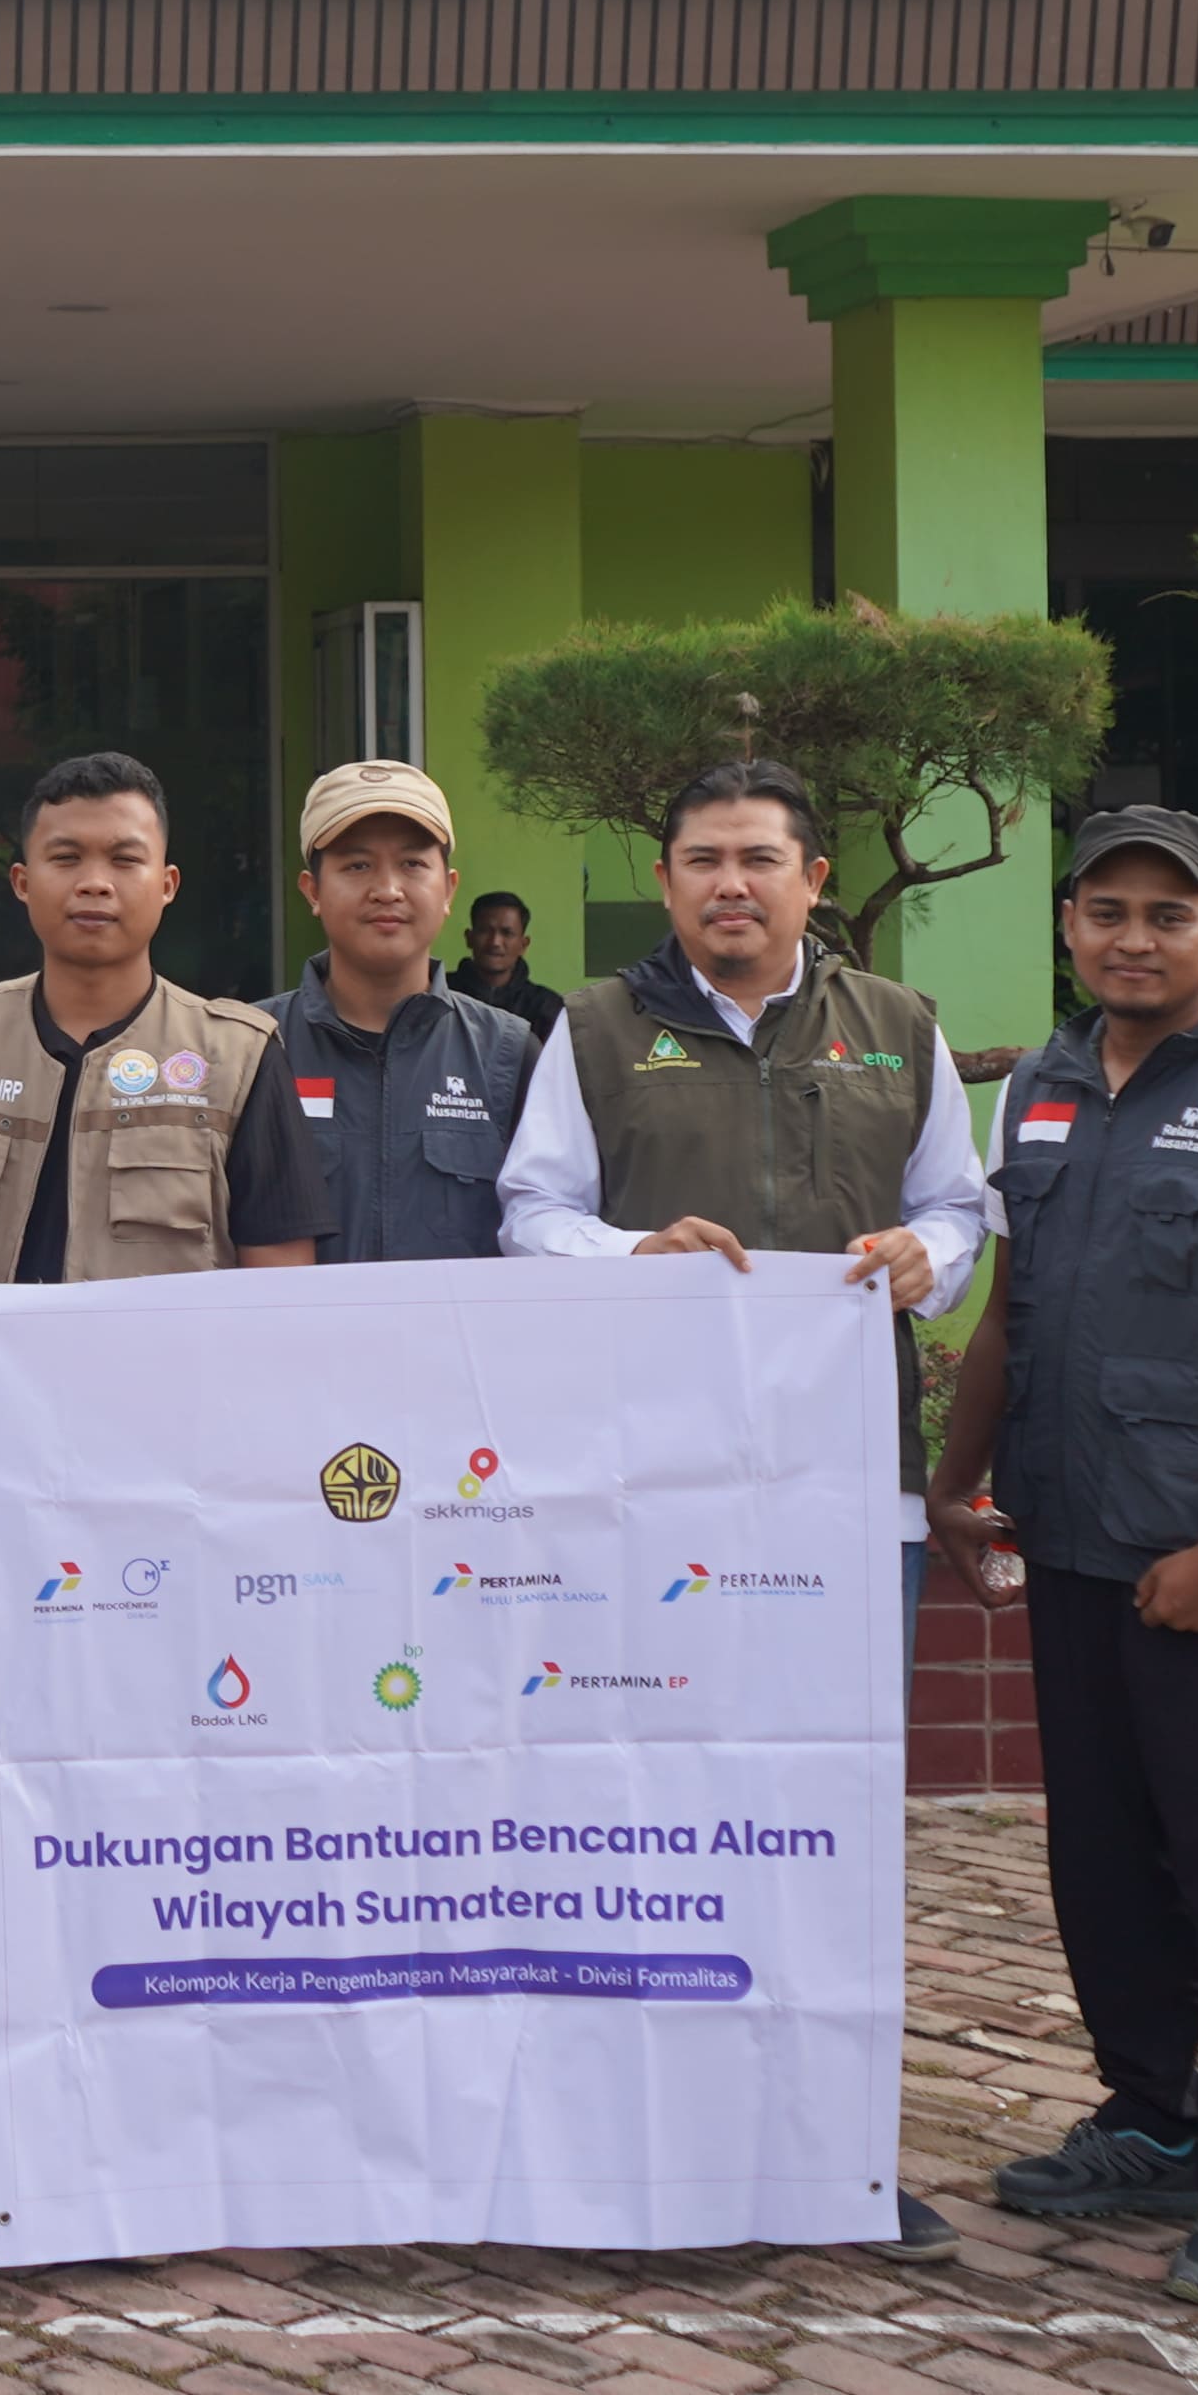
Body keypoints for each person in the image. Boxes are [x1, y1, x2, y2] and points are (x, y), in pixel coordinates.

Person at [498, 755, 990, 2264]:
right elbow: (529, 1214)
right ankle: (631, 2138)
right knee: (637, 1803)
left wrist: (926, 1259)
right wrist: (626, 1258)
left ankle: (834, 2147)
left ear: (811, 880)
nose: (731, 884)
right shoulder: (596, 1028)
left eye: (760, 859)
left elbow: (962, 1207)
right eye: (703, 859)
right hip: (642, 1495)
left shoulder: (898, 1027)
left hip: (846, 1496)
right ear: (665, 881)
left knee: (829, 1820)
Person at [927, 808, 1198, 2310]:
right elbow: (1011, 1310)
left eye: (1167, 915)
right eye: (1107, 910)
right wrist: (957, 1479)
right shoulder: (1039, 1092)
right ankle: (1152, 2116)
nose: (1134, 938)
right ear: (1069, 925)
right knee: (1105, 1861)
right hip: (1073, 1545)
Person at [0, 752, 320, 1290]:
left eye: (124, 859)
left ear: (167, 884)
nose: (94, 883)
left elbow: (282, 1286)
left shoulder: (238, 1058)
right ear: (22, 882)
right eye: (66, 858)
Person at [268, 761, 531, 1264]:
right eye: (357, 865)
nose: (387, 889)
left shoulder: (509, 1053)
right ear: (312, 891)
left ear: (449, 890)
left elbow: (546, 1223)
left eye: (412, 864)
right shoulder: (255, 1049)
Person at [451, 889, 560, 1057]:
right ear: (469, 938)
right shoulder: (441, 994)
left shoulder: (546, 1007)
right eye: (485, 931)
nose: (495, 942)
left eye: (507, 933)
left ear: (523, 944)